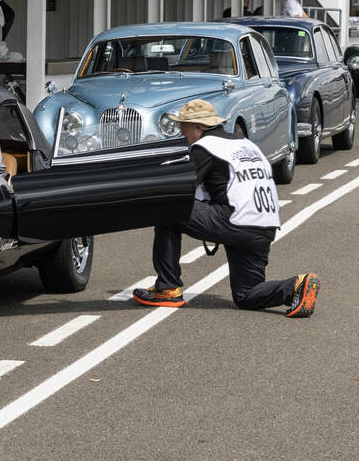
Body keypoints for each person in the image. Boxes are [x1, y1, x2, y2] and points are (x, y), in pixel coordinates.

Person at [131, 100, 320, 317]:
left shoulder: (206, 146)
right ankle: (297, 286)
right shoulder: (245, 144)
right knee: (246, 295)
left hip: (234, 219)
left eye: (183, 127)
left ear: (198, 127)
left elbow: (182, 189)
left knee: (167, 207)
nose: (181, 133)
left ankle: (168, 288)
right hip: (264, 227)